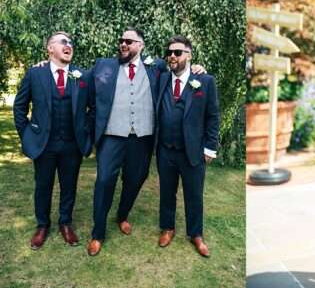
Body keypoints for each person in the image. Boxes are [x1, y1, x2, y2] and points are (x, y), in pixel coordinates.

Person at [85, 27, 205, 256]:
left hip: (142, 138)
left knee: (136, 178)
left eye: (129, 41)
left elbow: (180, 70)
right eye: (121, 40)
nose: (123, 44)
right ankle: (97, 233)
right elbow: (79, 81)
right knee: (104, 181)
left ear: (140, 45)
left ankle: (122, 215)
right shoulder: (104, 65)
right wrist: (53, 66)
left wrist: (197, 68)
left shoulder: (156, 67)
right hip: (112, 136)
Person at [13, 32, 94, 250]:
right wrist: (27, 134)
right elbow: (20, 107)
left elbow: (94, 108)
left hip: (72, 144)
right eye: (63, 42)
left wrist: (85, 130)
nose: (69, 45)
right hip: (44, 144)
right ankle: (42, 225)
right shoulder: (35, 73)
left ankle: (65, 223)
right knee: (43, 186)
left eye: (70, 43)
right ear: (50, 48)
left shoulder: (82, 76)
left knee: (69, 186)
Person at [155, 35, 220, 258]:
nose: (172, 56)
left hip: (192, 151)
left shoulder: (205, 81)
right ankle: (168, 228)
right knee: (166, 192)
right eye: (170, 52)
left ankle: (196, 234)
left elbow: (212, 116)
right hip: (165, 150)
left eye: (178, 52)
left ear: (189, 55)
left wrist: (210, 148)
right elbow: (136, 62)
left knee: (194, 195)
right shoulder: (162, 78)